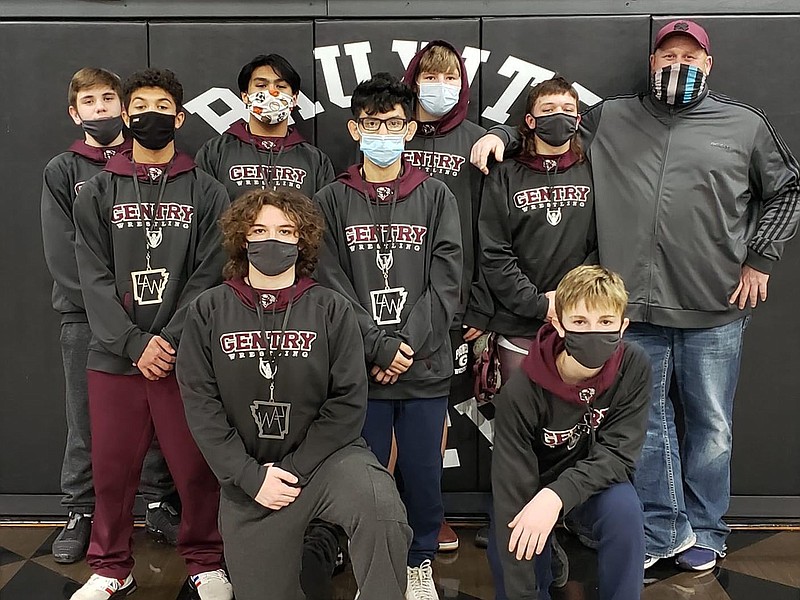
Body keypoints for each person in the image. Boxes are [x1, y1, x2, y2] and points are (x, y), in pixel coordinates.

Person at [471, 19, 800, 572]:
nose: (678, 66)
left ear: (708, 66)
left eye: (690, 59)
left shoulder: (744, 124)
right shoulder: (610, 117)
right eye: (668, 56)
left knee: (711, 426)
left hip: (713, 306)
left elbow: (788, 187)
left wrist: (761, 257)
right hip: (630, 314)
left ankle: (707, 529)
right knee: (646, 427)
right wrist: (502, 136)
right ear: (652, 63)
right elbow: (553, 121)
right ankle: (663, 529)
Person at [177, 188, 412, 600]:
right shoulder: (208, 310)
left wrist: (296, 470)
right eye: (261, 230)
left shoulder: (332, 308)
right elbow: (201, 406)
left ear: (301, 241)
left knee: (381, 509)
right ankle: (318, 547)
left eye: (286, 231)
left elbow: (347, 403)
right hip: (251, 475)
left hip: (326, 462)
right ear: (242, 238)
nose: (274, 240)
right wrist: (252, 477)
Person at [71, 68, 231, 600]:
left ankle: (206, 562)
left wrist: (169, 338)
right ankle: (112, 566)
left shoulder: (207, 189)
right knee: (113, 472)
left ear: (179, 118)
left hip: (184, 357)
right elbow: (89, 275)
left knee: (195, 469)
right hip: (115, 356)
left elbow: (212, 271)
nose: (150, 116)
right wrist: (134, 342)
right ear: (125, 116)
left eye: (162, 106)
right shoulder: (95, 189)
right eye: (139, 106)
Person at [314, 73, 463, 600]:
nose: (384, 132)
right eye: (373, 124)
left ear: (411, 129)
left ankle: (419, 560)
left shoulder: (437, 194)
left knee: (423, 472)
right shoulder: (331, 198)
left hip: (423, 367)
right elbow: (329, 282)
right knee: (365, 477)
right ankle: (372, 567)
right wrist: (376, 345)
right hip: (361, 368)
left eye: (394, 123)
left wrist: (403, 347)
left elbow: (447, 283)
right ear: (355, 129)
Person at [40, 67, 179, 564]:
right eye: (89, 102)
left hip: (153, 320)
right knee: (87, 423)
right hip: (88, 319)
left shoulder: (145, 161)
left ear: (124, 108)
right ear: (75, 113)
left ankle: (160, 502)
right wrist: (112, 319)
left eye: (108, 99)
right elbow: (66, 255)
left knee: (161, 417)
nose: (101, 108)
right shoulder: (64, 170)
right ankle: (81, 511)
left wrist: (141, 320)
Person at [492, 265, 649, 600]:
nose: (594, 333)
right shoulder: (520, 391)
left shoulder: (634, 366)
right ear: (559, 325)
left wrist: (558, 496)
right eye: (580, 322)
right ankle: (547, 558)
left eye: (605, 322)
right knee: (510, 547)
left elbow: (620, 456)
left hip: (593, 483)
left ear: (623, 326)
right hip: (530, 487)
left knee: (625, 511)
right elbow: (511, 490)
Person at [401, 40, 492, 553]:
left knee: (430, 420)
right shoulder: (389, 134)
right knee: (378, 418)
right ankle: (381, 513)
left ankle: (424, 517)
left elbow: (491, 228)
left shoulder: (478, 140)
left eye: (450, 76)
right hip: (383, 299)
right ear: (413, 82)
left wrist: (477, 301)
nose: (440, 87)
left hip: (450, 301)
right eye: (429, 77)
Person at [479, 75, 595, 383]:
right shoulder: (504, 175)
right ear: (530, 120)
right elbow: (494, 252)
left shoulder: (596, 171)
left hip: (582, 322)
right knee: (517, 424)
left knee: (573, 425)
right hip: (518, 325)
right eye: (548, 109)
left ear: (578, 119)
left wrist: (571, 300)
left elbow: (604, 243)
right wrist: (541, 305)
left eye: (567, 108)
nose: (559, 115)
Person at [196, 53, 335, 201]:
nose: (271, 92)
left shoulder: (315, 160)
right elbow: (203, 211)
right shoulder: (216, 151)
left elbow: (323, 218)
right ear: (245, 96)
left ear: (294, 99)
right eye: (261, 85)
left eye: (280, 86)